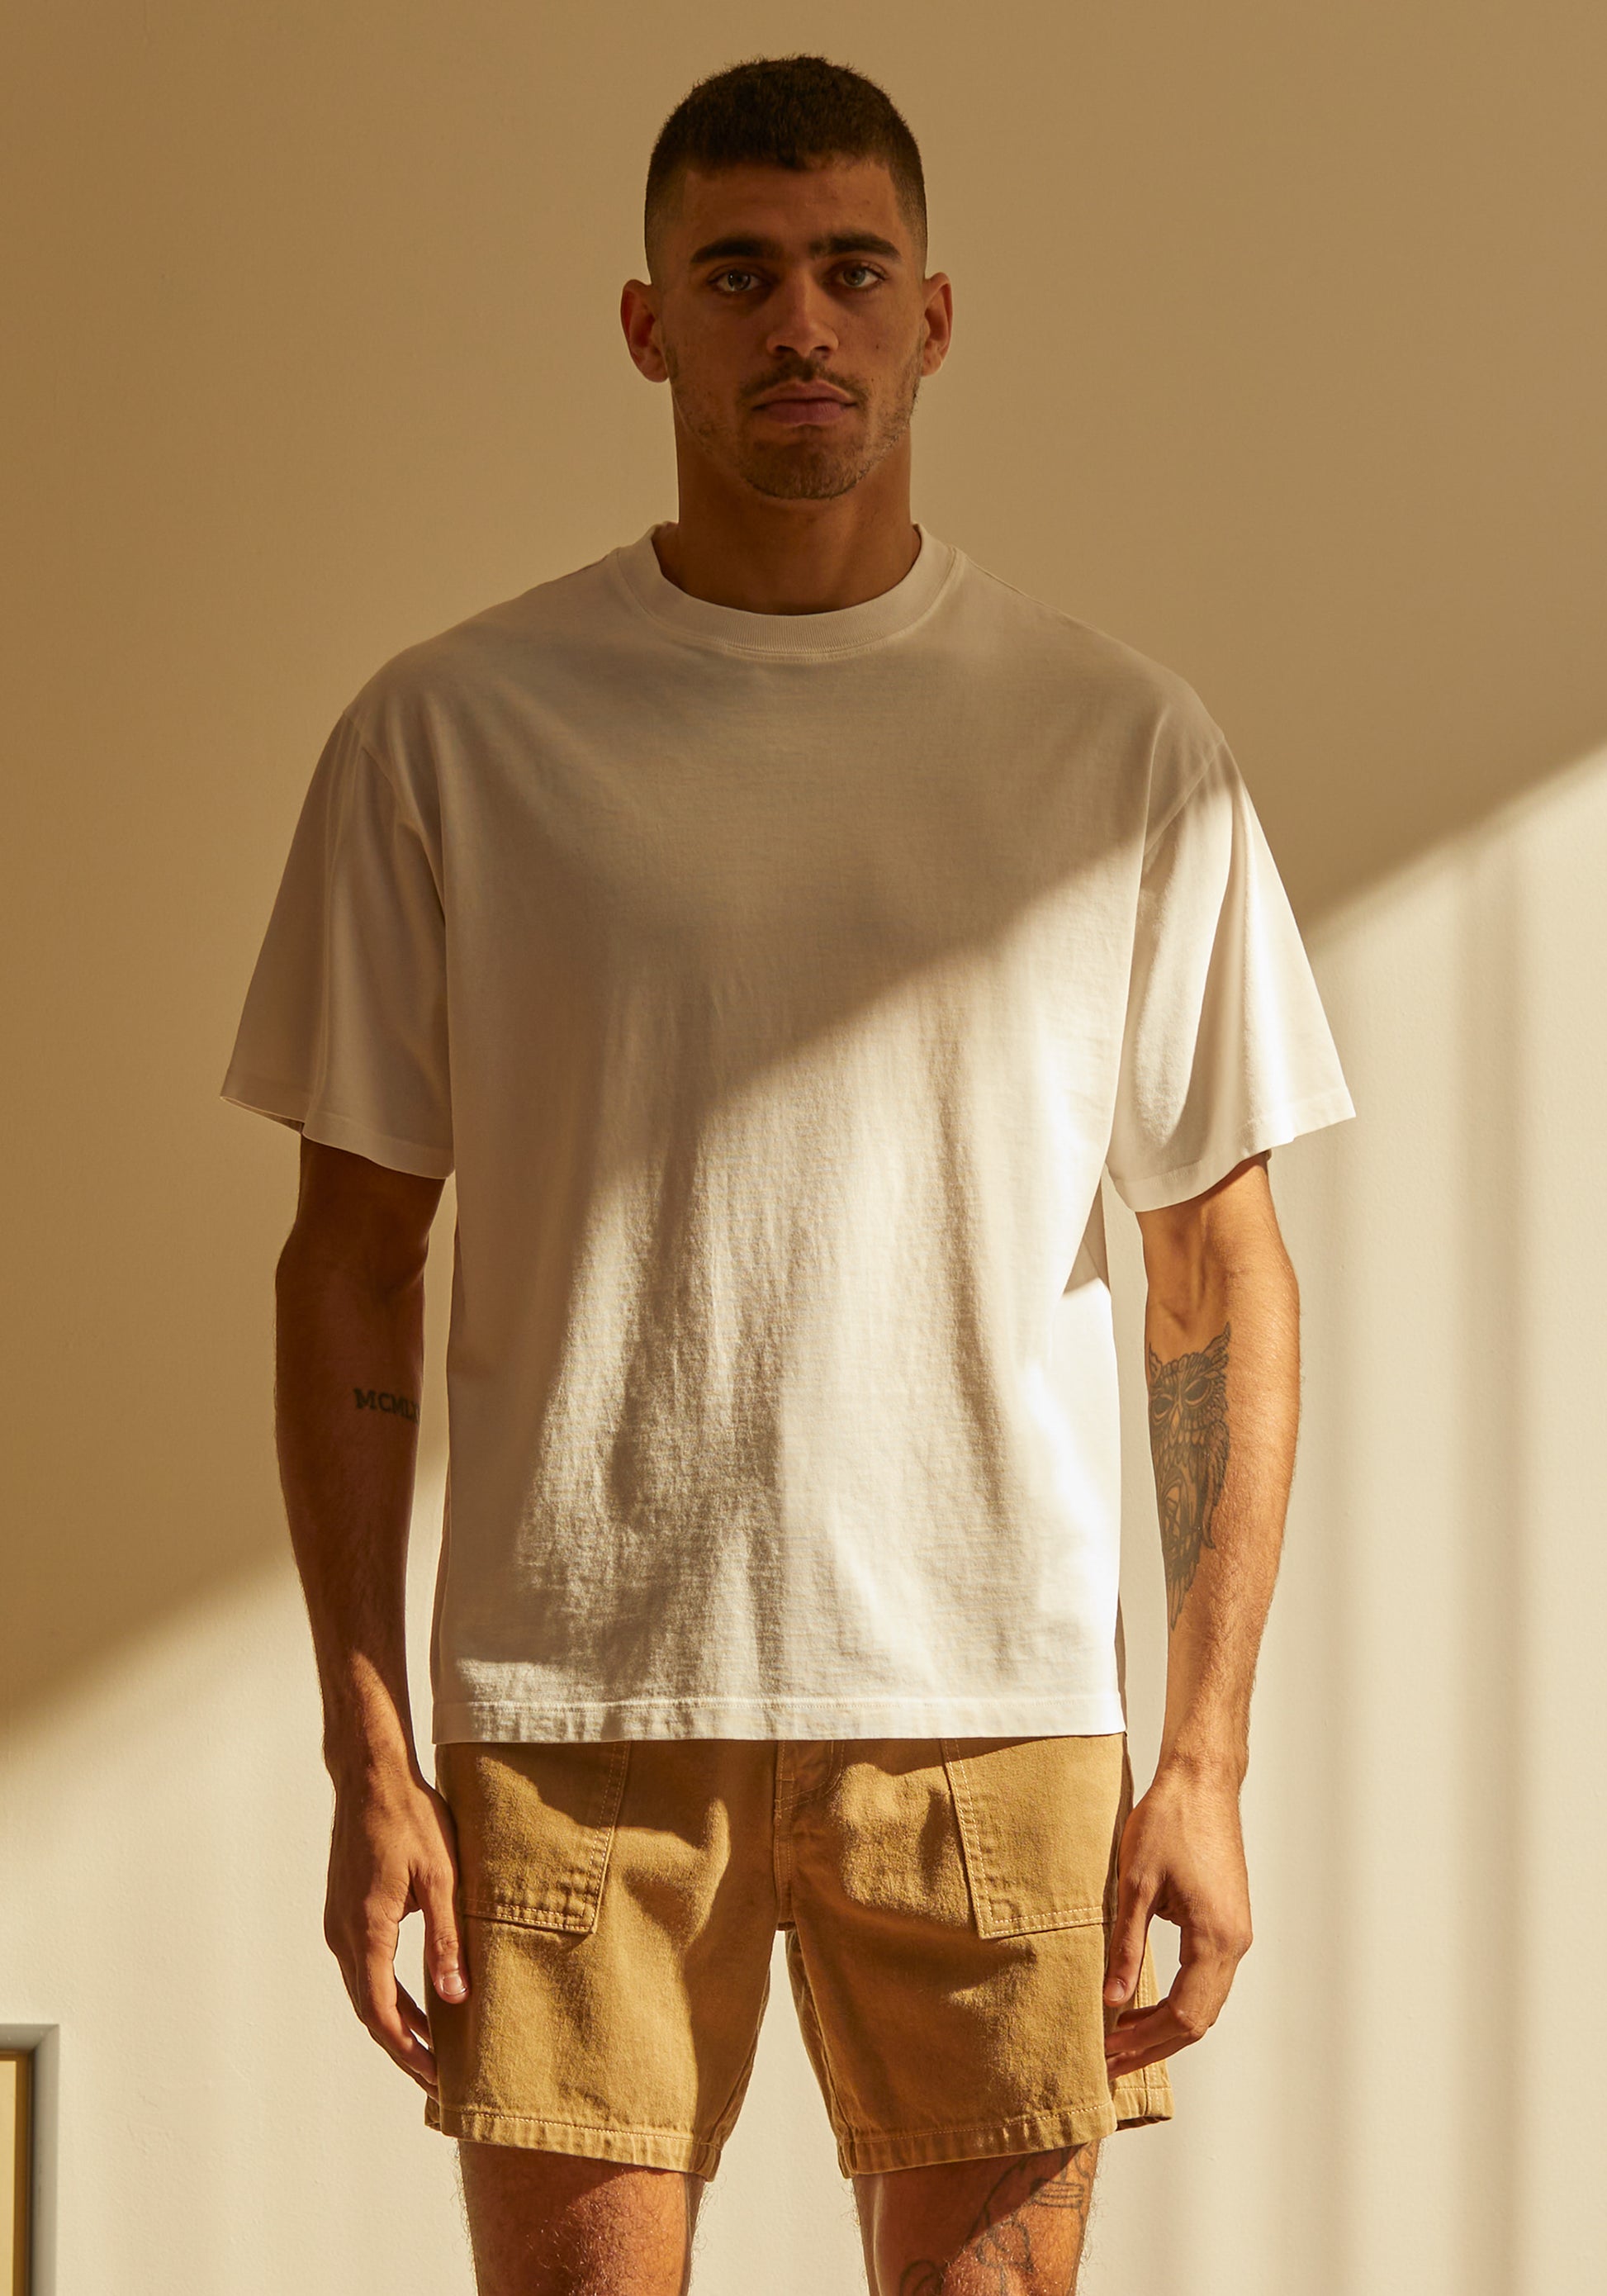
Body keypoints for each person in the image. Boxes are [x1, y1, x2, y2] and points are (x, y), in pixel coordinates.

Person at [220, 52, 1355, 2296]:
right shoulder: (451, 732)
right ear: (649, 326)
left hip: (993, 1698)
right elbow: (348, 1259)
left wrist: (1206, 1758)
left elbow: (1214, 1270)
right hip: (572, 1704)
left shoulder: (1119, 742)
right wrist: (370, 1755)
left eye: (850, 271)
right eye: (738, 277)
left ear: (932, 317)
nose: (800, 325)